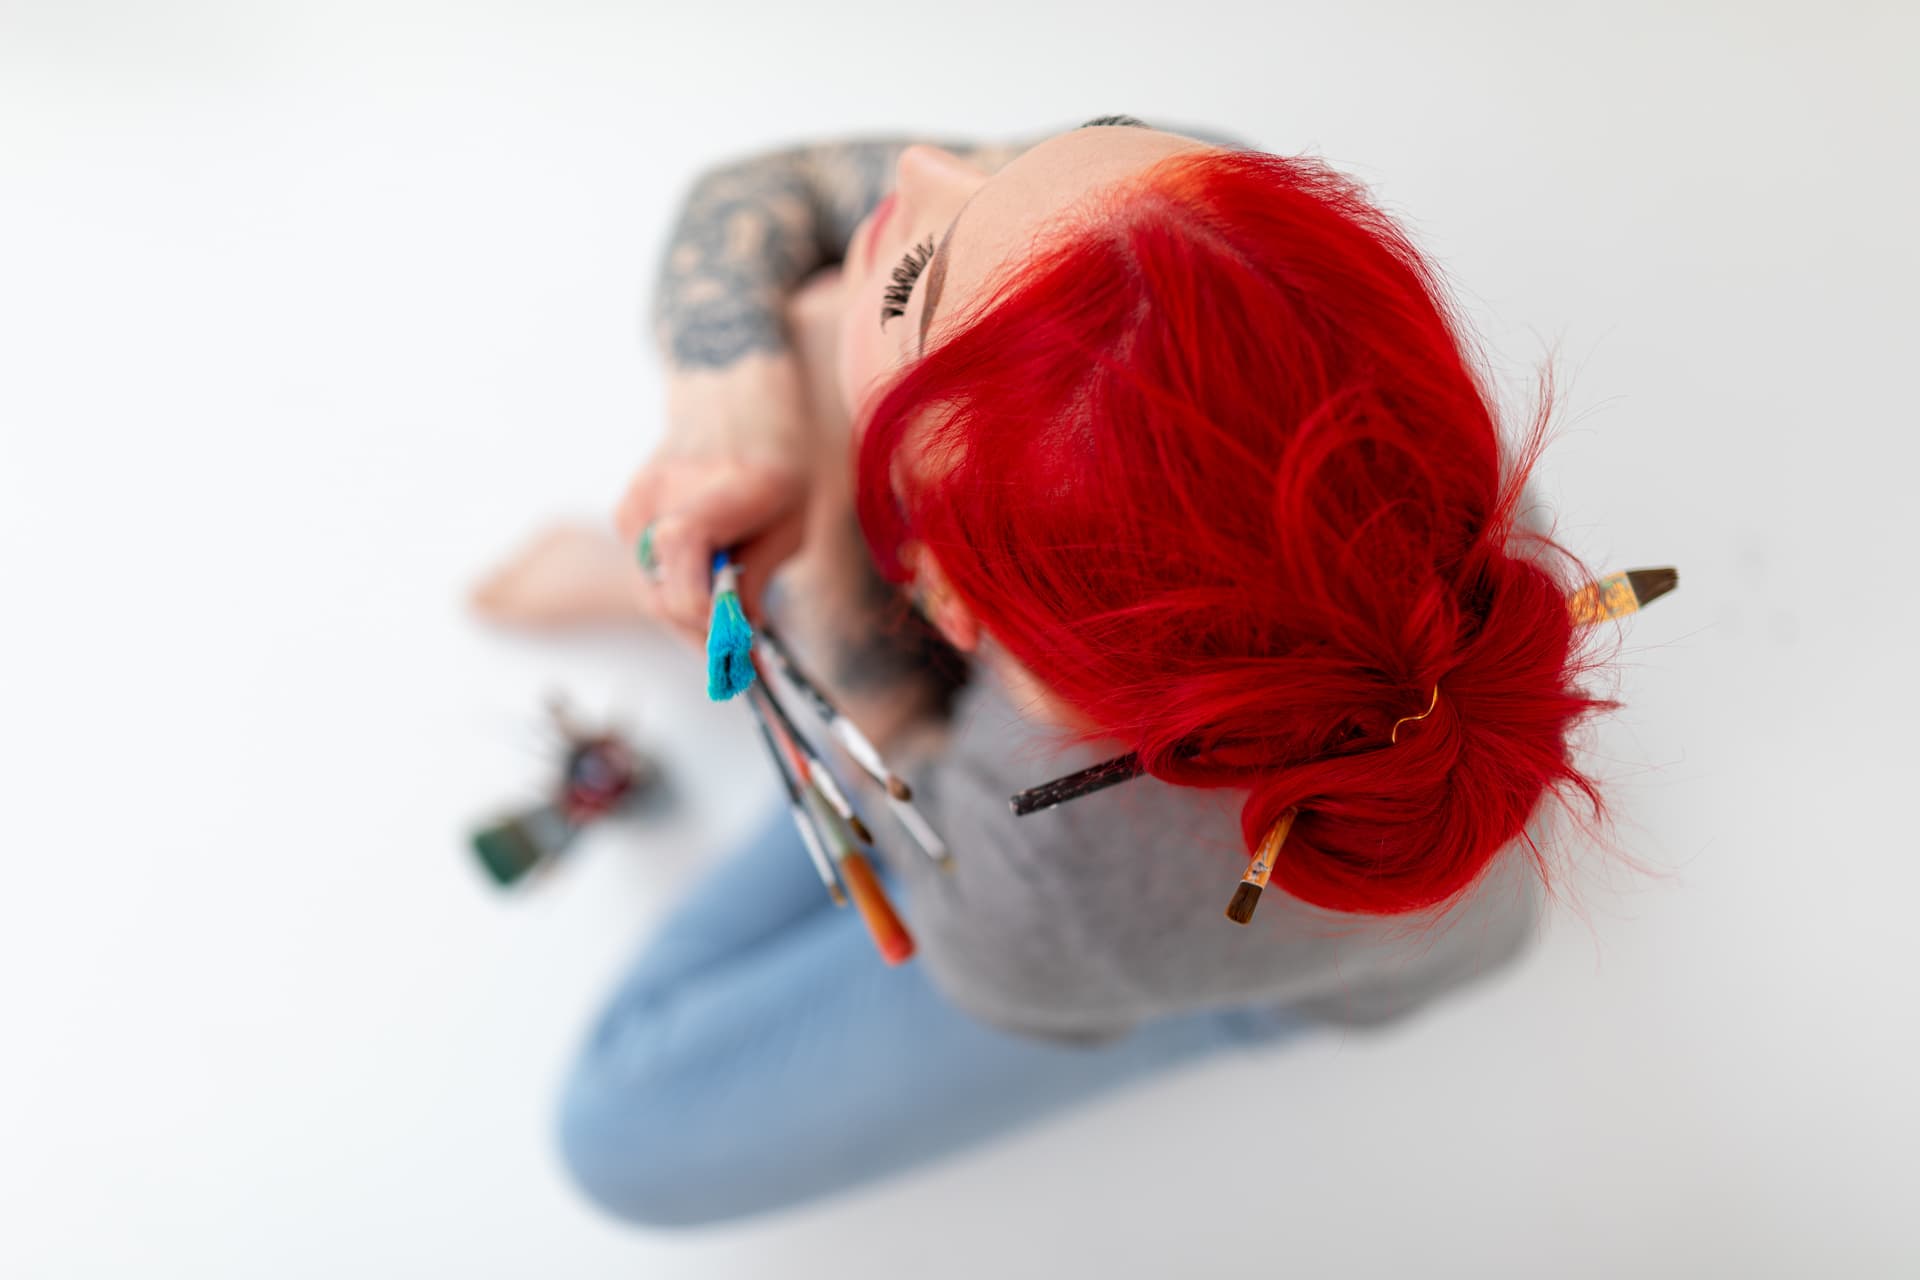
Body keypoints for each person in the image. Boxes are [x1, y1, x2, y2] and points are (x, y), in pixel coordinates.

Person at [469, 114, 1610, 1227]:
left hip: (1162, 930)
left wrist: (807, 478)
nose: (923, 168)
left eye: (914, 280)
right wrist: (750, 424)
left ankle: (1206, 1007)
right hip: (1091, 799)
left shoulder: (1059, 890)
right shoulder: (1214, 229)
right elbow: (777, 185)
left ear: (944, 603)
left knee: (622, 1128)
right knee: (836, 329)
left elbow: (922, 812)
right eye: (1064, 146)